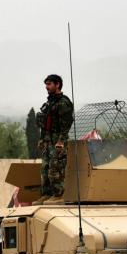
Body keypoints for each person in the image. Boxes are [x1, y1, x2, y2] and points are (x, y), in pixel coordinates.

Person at [36, 74, 74, 204]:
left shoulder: (64, 102)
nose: (47, 87)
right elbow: (44, 123)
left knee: (55, 168)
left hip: (57, 141)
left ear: (57, 84)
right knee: (45, 168)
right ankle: (47, 194)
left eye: (49, 84)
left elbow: (66, 124)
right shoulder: (49, 102)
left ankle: (58, 195)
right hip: (47, 141)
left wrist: (61, 141)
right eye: (46, 84)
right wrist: (42, 139)